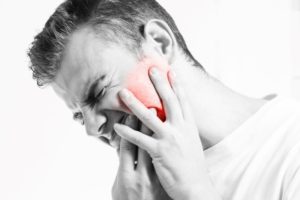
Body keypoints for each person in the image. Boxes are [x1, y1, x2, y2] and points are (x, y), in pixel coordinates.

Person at [27, 0, 300, 199]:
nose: (91, 128)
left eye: (98, 92)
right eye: (79, 115)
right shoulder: (139, 189)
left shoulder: (290, 147)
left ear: (160, 43)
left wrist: (194, 192)